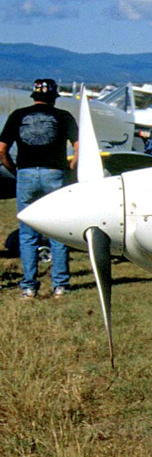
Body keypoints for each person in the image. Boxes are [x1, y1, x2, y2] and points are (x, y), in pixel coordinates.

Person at [0, 78, 78, 298]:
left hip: (25, 174)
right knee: (58, 231)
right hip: (55, 174)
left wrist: (15, 170)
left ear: (34, 96)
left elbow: (1, 149)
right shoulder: (64, 116)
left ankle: (29, 286)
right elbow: (79, 148)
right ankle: (61, 285)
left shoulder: (17, 115)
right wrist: (70, 170)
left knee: (27, 234)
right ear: (54, 98)